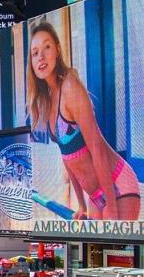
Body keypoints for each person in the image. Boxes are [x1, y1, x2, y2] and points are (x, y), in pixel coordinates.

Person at [26, 21, 140, 221]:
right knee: (94, 251)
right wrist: (80, 204)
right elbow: (68, 157)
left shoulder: (70, 86)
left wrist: (112, 206)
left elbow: (96, 147)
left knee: (117, 252)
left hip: (117, 187)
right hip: (96, 196)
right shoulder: (49, 98)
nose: (41, 56)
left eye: (47, 47)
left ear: (58, 50)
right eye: (35, 53)